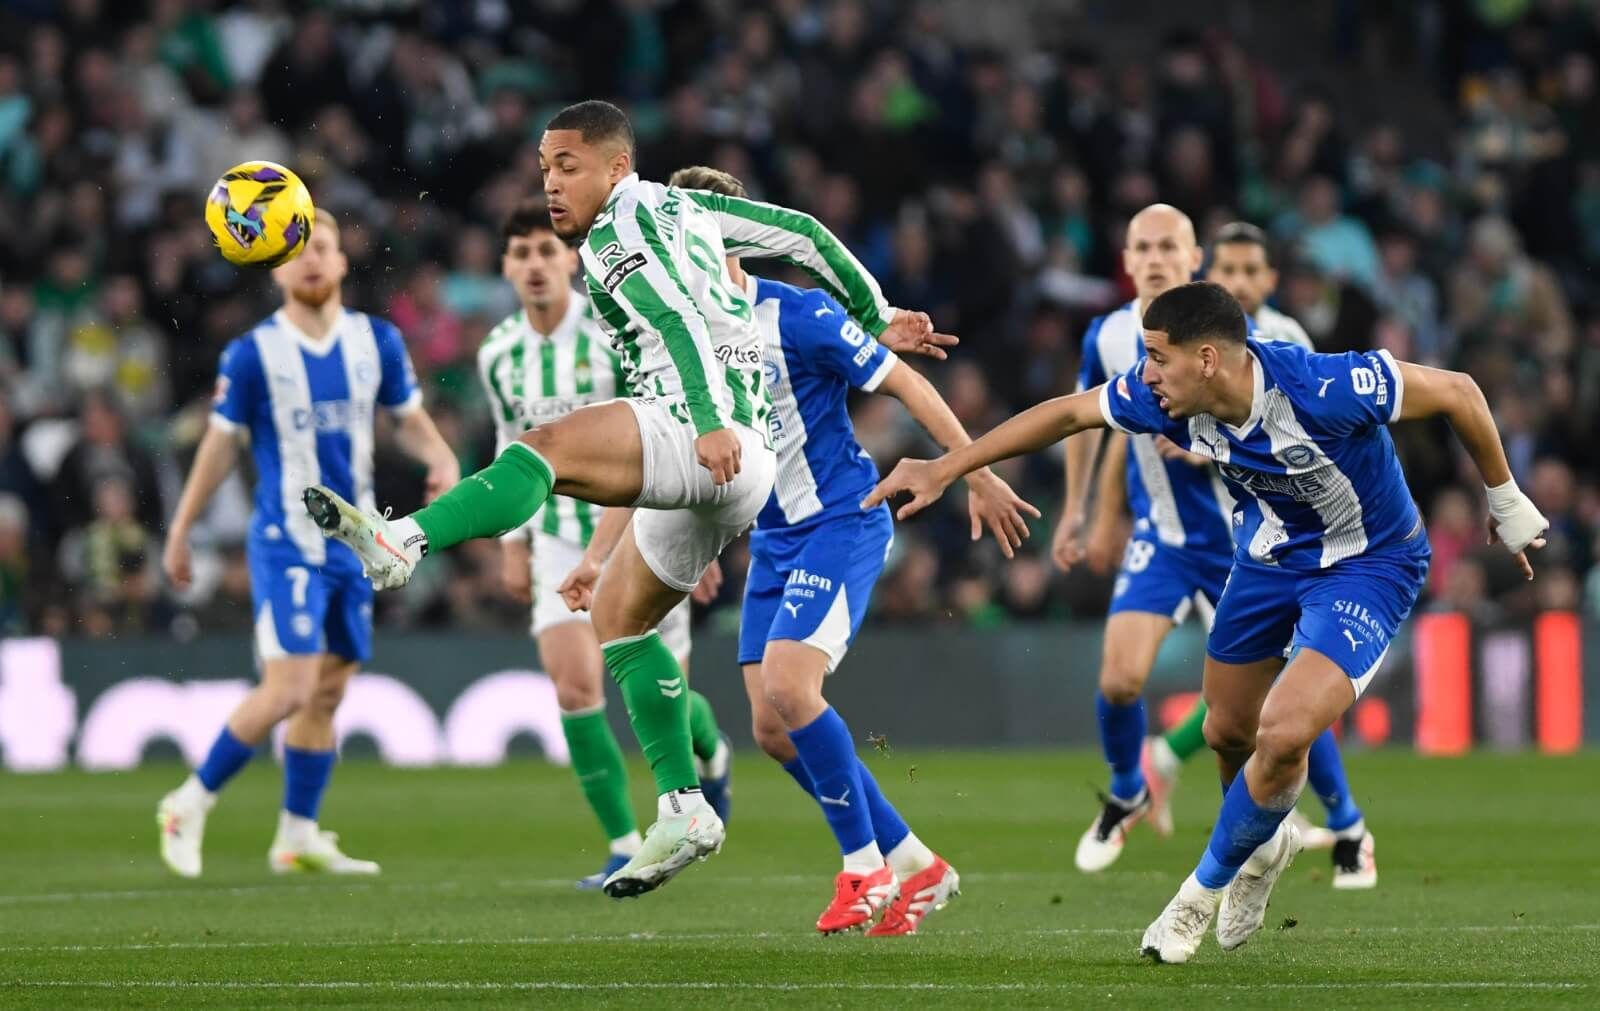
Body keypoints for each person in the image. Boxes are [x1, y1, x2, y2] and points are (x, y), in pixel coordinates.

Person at [305, 100, 950, 899]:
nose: (550, 183)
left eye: (567, 166)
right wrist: (876, 311)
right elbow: (806, 237)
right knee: (617, 618)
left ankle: (405, 543)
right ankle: (684, 806)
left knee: (542, 448)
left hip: (699, 430)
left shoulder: (615, 235)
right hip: (725, 466)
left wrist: (711, 420)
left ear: (616, 168)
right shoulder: (692, 210)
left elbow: (676, 318)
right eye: (544, 167)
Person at [865, 280, 1547, 963]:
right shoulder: (1163, 398)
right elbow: (1070, 415)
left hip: (1368, 563)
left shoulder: (1323, 386)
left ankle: (1198, 892)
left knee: (1282, 733)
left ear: (1210, 359)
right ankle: (1264, 843)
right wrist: (950, 466)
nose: (1147, 372)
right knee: (1227, 731)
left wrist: (1507, 501)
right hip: (1267, 557)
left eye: (1160, 357)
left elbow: (1458, 389)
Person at [666, 165, 1035, 935]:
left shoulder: (797, 314)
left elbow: (906, 384)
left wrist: (972, 468)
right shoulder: (684, 339)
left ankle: (861, 866)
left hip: (841, 520)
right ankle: (916, 864)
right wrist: (699, 537)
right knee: (772, 726)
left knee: (793, 690)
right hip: (770, 538)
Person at [157, 211, 459, 878]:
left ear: (344, 260)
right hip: (287, 543)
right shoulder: (253, 353)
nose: (312, 259)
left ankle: (296, 835)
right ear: (276, 268)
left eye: (322, 246)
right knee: (291, 686)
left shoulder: (376, 340)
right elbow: (218, 443)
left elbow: (406, 419)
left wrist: (442, 460)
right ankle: (188, 800)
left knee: (326, 694)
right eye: (296, 251)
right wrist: (181, 528)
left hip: (357, 547)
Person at [480, 199, 732, 890]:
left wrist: (693, 532)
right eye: (519, 253)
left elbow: (660, 428)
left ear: (569, 259)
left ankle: (712, 756)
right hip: (557, 537)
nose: (534, 264)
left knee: (657, 688)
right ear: (506, 267)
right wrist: (513, 538)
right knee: (574, 685)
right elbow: (512, 444)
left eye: (544, 250)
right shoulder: (497, 354)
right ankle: (624, 843)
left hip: (640, 520)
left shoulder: (611, 331)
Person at [1125, 221, 1376, 887]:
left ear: (1269, 281)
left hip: (1318, 546)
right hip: (1246, 545)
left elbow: (1309, 448)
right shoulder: (1179, 351)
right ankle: (1300, 832)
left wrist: (1202, 447)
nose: (1237, 279)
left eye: (1249, 269)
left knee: (1289, 705)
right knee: (1243, 715)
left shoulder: (1290, 347)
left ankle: (1342, 824)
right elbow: (1091, 418)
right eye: (1226, 267)